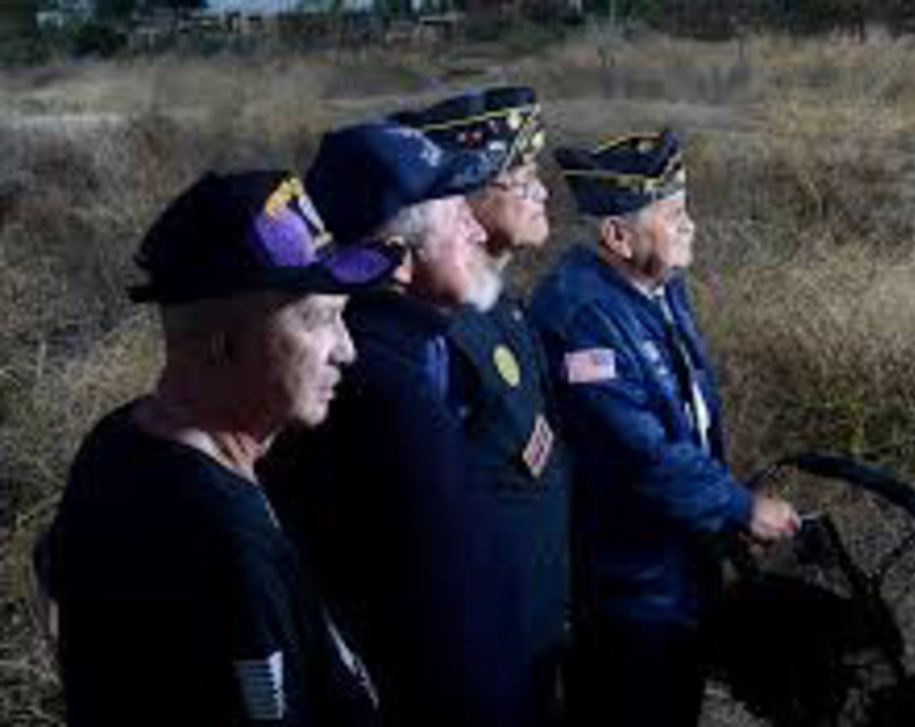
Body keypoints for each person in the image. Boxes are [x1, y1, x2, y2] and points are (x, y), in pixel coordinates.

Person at [35, 170, 396, 725]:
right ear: (221, 345)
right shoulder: (224, 546)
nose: (346, 350)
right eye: (320, 319)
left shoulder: (116, 440)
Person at [530, 129, 802, 727]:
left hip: (675, 568)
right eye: (673, 215)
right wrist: (738, 506)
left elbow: (686, 411)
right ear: (617, 236)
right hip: (627, 587)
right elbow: (642, 455)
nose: (691, 226)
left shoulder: (658, 285)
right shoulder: (580, 316)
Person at [260, 121, 528, 727]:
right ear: (400, 257)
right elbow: (444, 622)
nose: (476, 227)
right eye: (458, 212)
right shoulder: (378, 394)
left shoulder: (412, 356)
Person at [391, 86, 569, 726]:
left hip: (533, 618)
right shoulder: (432, 335)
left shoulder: (503, 306)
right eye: (521, 179)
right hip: (481, 644)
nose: (542, 192)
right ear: (466, 198)